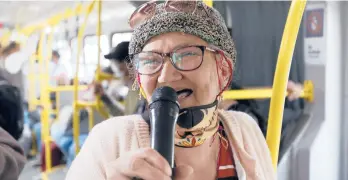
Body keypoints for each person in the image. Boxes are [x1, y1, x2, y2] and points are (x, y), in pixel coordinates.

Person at [66, 1, 275, 180]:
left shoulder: (245, 130)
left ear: (223, 70)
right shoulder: (109, 141)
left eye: (186, 55)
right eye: (150, 60)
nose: (165, 77)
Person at [94, 41, 141, 116]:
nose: (118, 71)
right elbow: (125, 117)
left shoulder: (142, 93)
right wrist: (104, 97)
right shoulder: (132, 90)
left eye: (119, 64)